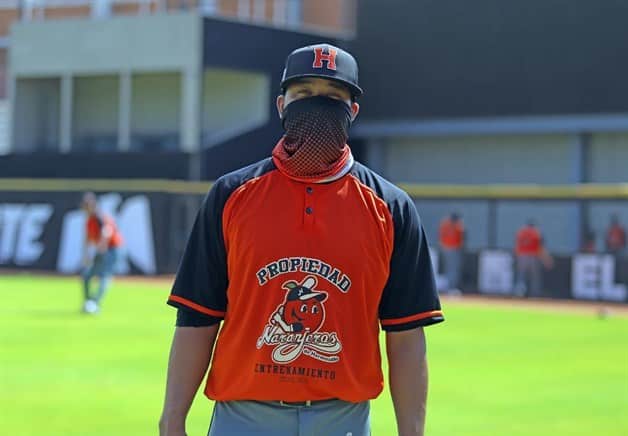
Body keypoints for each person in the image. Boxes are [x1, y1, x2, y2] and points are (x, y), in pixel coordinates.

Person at [160, 43, 444, 436]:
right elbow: (198, 314)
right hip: (243, 416)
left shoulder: (390, 208)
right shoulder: (231, 195)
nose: (317, 104)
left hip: (342, 418)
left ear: (353, 111)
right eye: (304, 93)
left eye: (332, 96)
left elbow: (406, 334)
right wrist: (173, 416)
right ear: (281, 105)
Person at [80, 192, 123, 314]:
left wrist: (101, 247)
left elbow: (107, 232)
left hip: (112, 249)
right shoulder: (89, 220)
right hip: (102, 250)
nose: (86, 207)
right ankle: (89, 302)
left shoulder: (99, 216)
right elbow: (87, 238)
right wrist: (86, 254)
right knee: (87, 276)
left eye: (88, 205)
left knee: (104, 276)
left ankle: (95, 303)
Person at [514, 219, 553, 297]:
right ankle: (535, 294)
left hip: (522, 257)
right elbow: (541, 247)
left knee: (521, 276)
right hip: (533, 257)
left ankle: (519, 293)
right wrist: (547, 260)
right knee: (534, 278)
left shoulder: (521, 233)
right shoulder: (536, 233)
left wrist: (516, 257)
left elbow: (517, 246)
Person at [438, 212, 465, 294]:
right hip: (452, 249)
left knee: (450, 269)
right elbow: (462, 236)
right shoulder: (455, 225)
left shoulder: (445, 223)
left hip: (447, 248)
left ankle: (449, 287)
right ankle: (451, 288)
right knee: (452, 269)